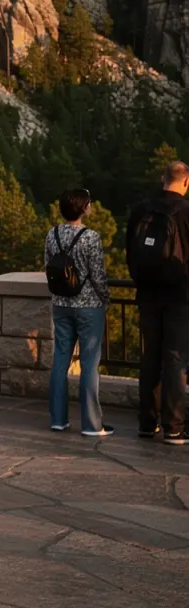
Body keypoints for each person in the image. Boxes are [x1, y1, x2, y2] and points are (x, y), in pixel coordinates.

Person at [126, 160, 189, 445]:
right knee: (174, 359)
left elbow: (130, 253)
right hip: (180, 297)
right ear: (185, 183)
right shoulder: (187, 213)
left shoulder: (141, 211)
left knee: (150, 356)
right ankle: (174, 427)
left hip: (147, 295)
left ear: (162, 179)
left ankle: (146, 423)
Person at [45, 189, 112, 437]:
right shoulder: (90, 237)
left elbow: (47, 267)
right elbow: (98, 275)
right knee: (89, 364)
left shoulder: (51, 235)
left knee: (60, 360)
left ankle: (58, 419)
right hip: (88, 306)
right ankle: (91, 424)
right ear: (84, 208)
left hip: (61, 304)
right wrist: (106, 299)